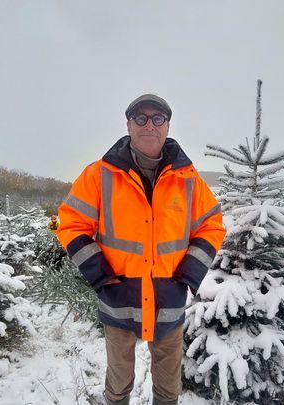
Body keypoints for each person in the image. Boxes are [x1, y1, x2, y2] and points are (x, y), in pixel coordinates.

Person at [56, 94, 225, 405]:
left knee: (168, 387)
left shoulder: (188, 179)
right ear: (129, 125)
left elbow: (212, 225)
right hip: (118, 299)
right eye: (141, 118)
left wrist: (188, 276)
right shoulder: (99, 174)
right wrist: (101, 277)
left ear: (168, 126)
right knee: (118, 384)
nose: (150, 125)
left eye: (157, 119)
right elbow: (70, 224)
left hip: (169, 299)